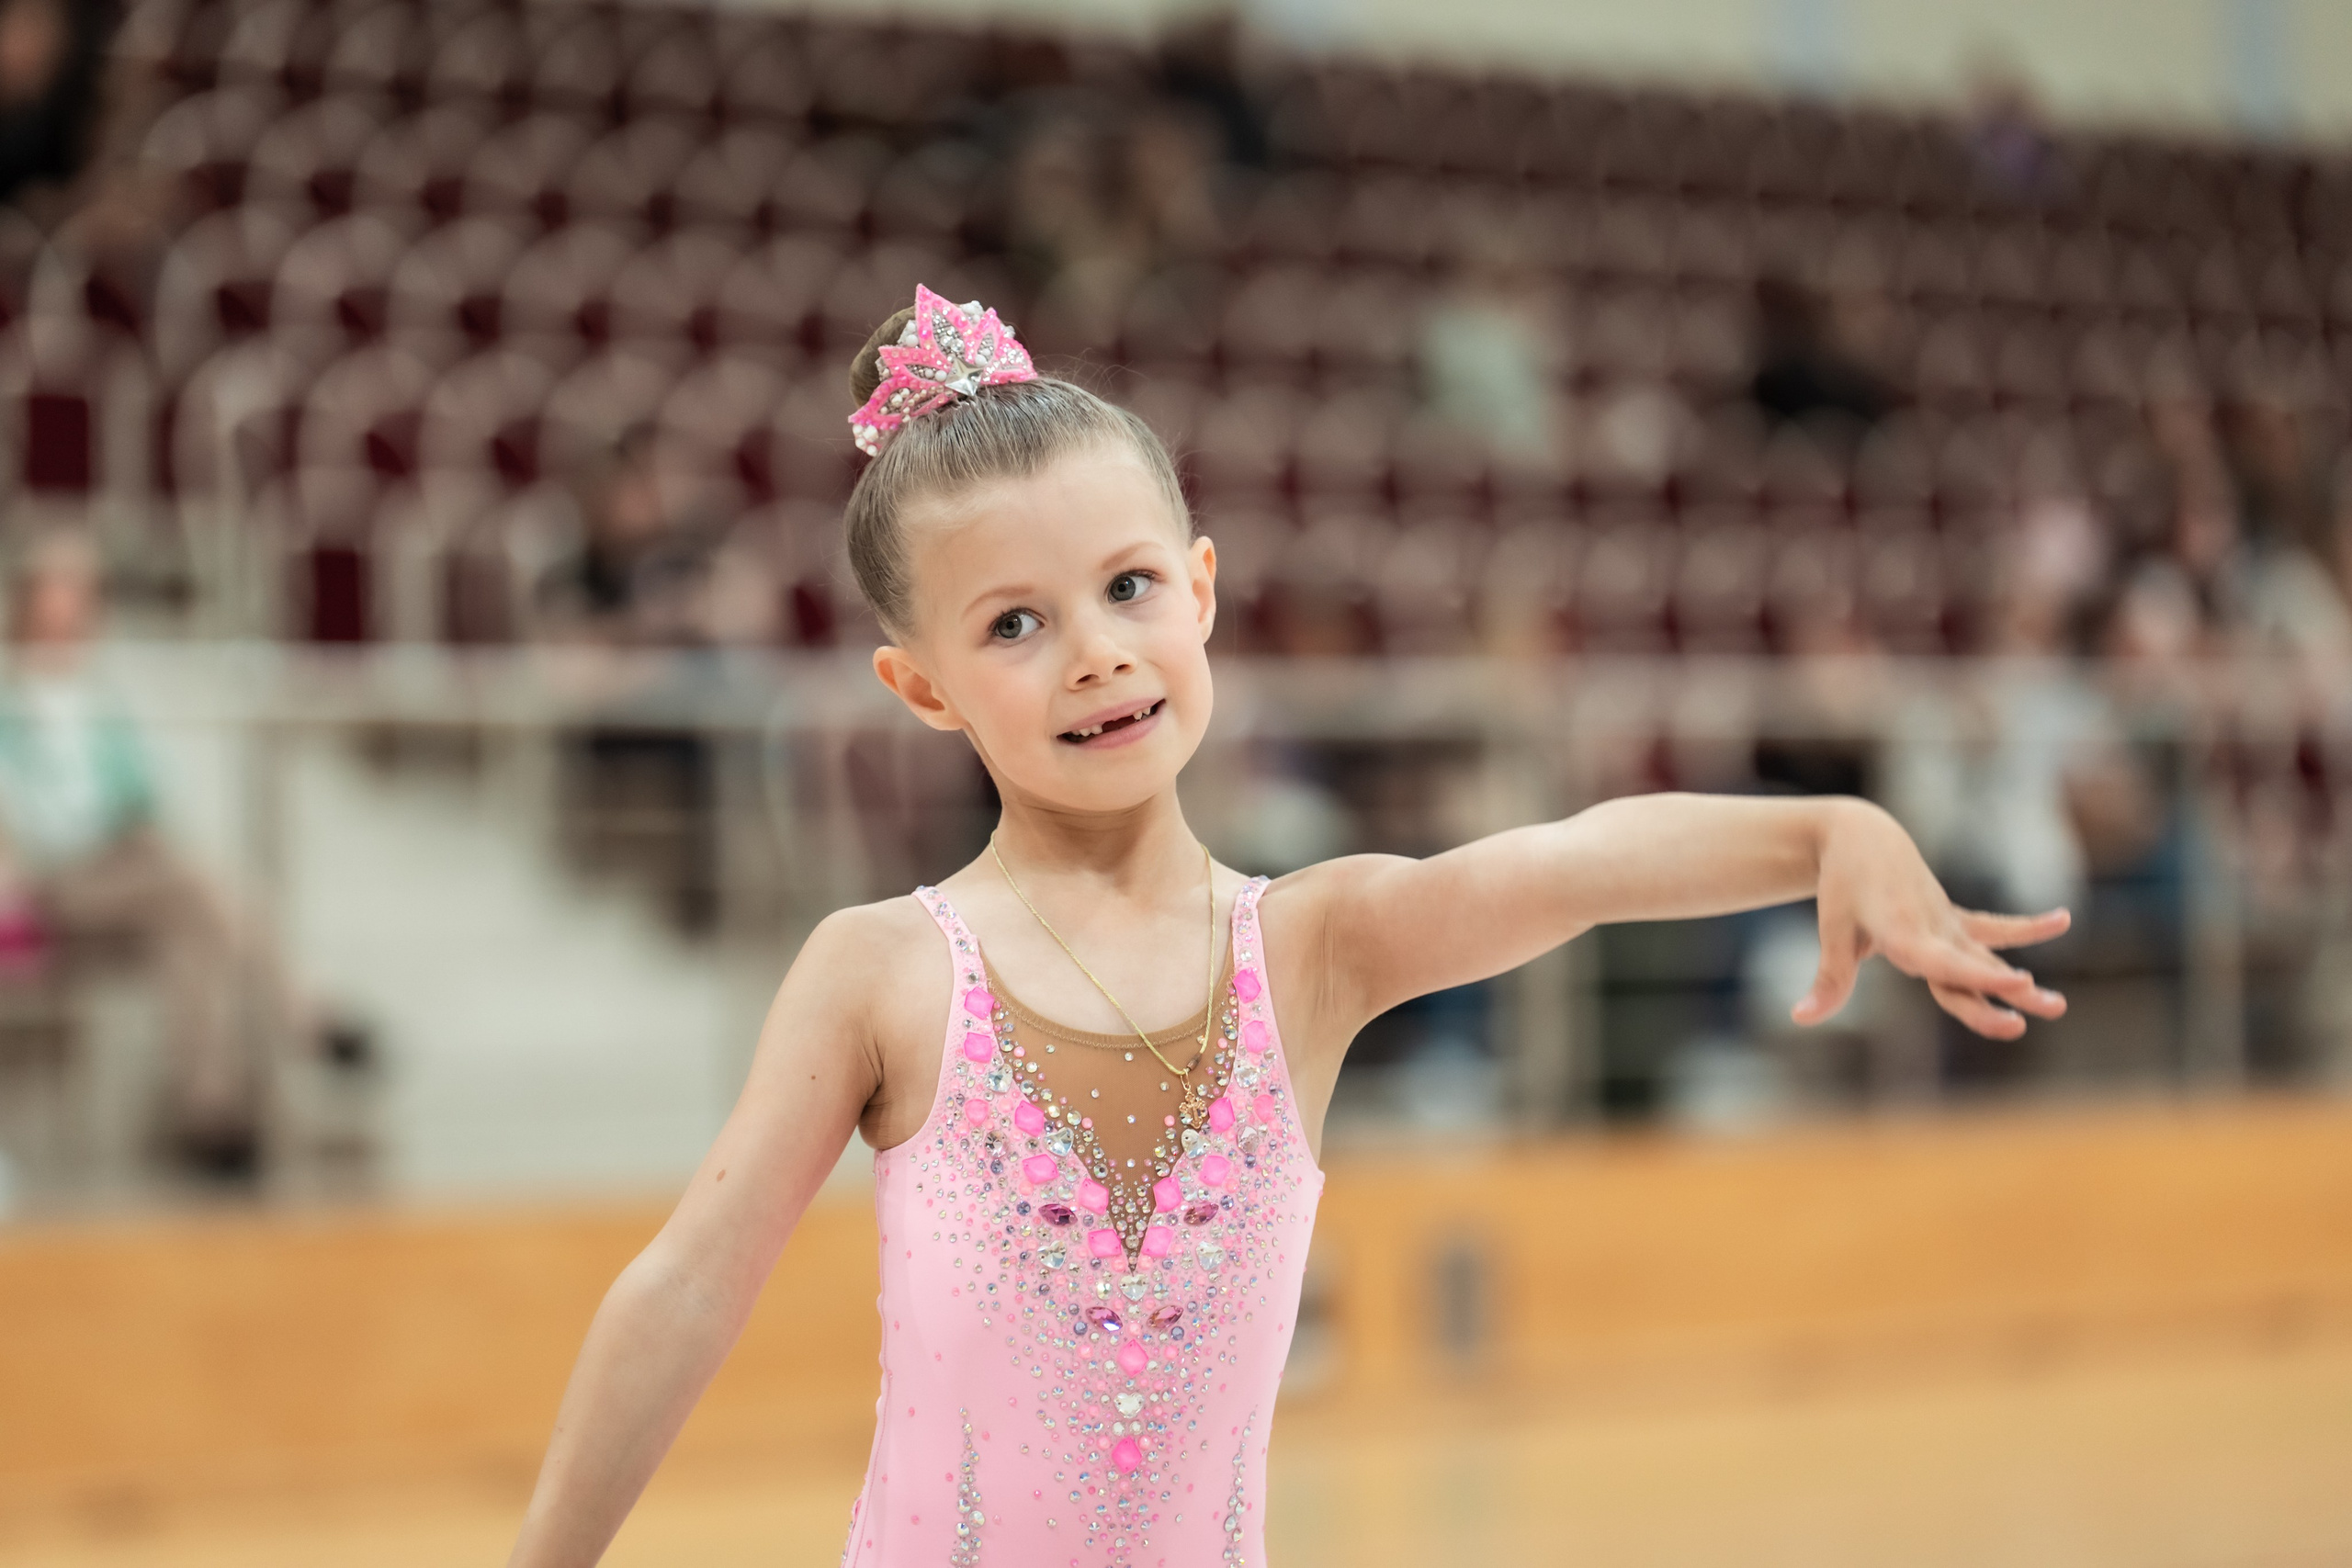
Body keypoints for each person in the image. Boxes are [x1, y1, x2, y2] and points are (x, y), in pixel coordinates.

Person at [502, 289, 2071, 1568]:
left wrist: (1829, 831)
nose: (1097, 657)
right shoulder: (885, 970)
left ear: (1200, 593)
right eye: (1014, 625)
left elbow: (1581, 856)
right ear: (921, 687)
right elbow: (689, 1288)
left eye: (1127, 589)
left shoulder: (1312, 946)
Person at [0, 531, 364, 1179]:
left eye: (82, 593)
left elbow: (145, 792)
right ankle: (307, 1015)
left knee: (191, 930)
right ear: (31, 601)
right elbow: (26, 821)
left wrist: (133, 829)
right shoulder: (9, 699)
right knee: (202, 890)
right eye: (60, 592)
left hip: (129, 863)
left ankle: (212, 1113)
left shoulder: (102, 696)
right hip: (52, 877)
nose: (72, 607)